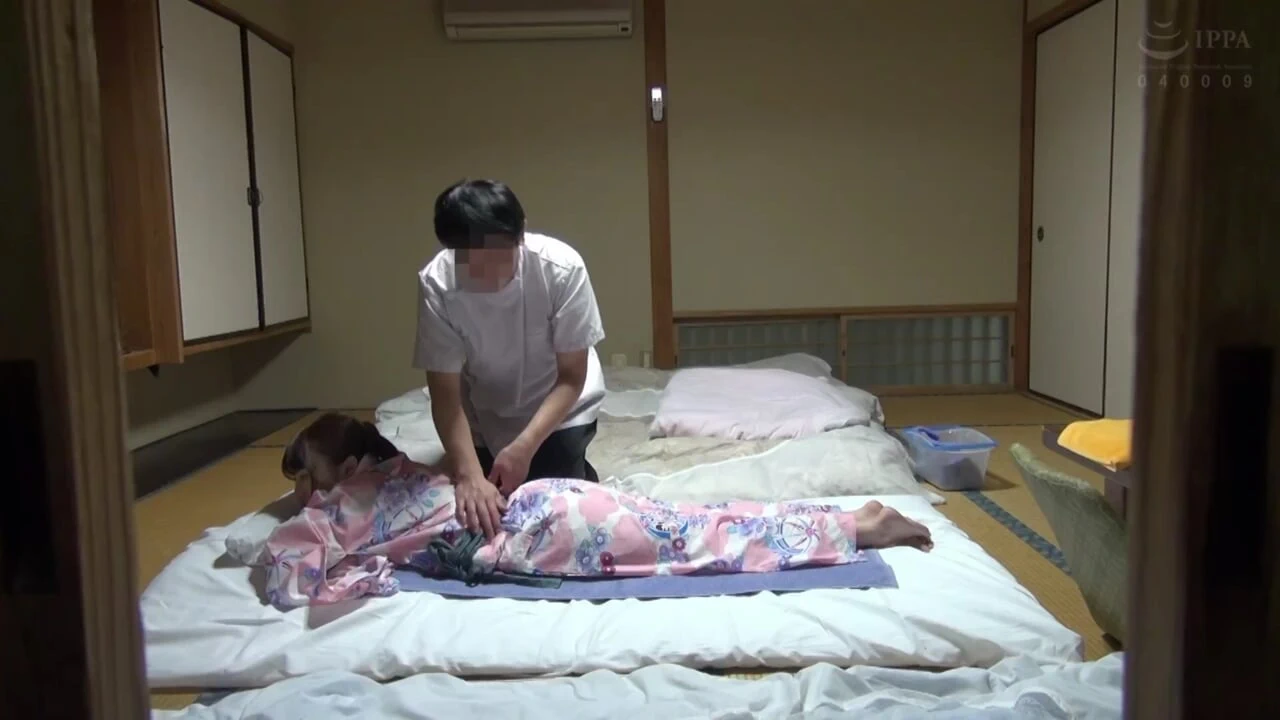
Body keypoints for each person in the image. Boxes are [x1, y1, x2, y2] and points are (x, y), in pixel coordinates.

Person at [267, 413, 935, 609]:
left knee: (700, 544)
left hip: (546, 531)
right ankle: (845, 521)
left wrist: (323, 523)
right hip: (550, 503)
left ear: (345, 471)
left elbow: (290, 572)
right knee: (693, 527)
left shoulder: (348, 503)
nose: (304, 493)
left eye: (308, 478)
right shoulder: (402, 475)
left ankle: (856, 526)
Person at [413, 180, 607, 540]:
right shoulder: (438, 283)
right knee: (481, 504)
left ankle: (577, 464)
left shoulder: (561, 268)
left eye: (498, 257)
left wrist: (525, 446)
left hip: (559, 404)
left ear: (521, 234)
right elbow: (445, 395)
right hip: (485, 404)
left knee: (554, 505)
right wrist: (469, 475)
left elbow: (570, 377)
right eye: (472, 261)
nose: (489, 274)